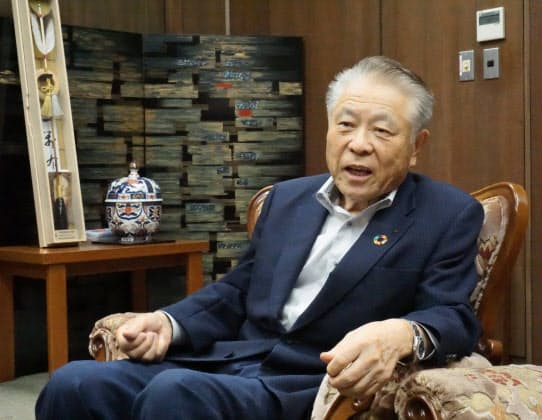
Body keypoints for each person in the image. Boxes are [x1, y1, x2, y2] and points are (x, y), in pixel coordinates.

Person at [36, 56, 483, 420]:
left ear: (416, 145)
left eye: (382, 130)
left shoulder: (445, 213)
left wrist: (401, 333)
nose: (359, 144)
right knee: (75, 382)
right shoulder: (287, 199)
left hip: (308, 383)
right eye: (346, 125)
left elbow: (454, 316)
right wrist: (170, 322)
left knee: (177, 393)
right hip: (230, 362)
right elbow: (238, 290)